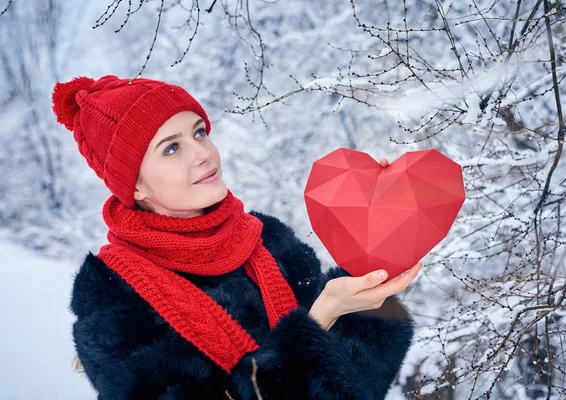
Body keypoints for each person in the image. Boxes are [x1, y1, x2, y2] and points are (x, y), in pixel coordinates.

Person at [52, 75, 422, 400]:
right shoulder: (111, 295)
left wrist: (374, 242)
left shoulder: (265, 239)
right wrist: (314, 326)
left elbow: (360, 381)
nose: (203, 153)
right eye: (171, 147)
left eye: (199, 132)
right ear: (135, 185)